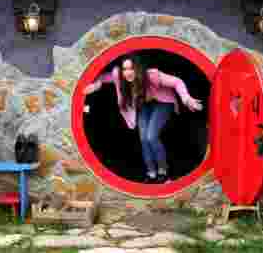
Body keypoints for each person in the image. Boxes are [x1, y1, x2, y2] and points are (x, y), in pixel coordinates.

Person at [83, 55, 204, 183]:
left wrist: (186, 98)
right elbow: (103, 77)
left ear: (138, 69)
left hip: (162, 102)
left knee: (151, 136)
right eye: (125, 69)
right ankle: (151, 173)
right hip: (144, 105)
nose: (128, 73)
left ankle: (163, 172)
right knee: (144, 139)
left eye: (131, 69)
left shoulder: (151, 75)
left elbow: (176, 82)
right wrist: (96, 85)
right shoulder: (119, 76)